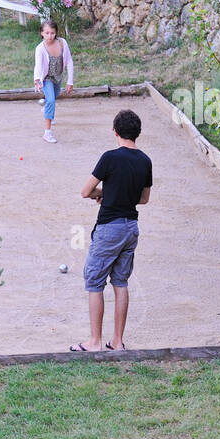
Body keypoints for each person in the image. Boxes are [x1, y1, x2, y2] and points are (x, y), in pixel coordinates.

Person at [70, 109, 152, 353]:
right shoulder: (145, 161)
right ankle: (117, 341)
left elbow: (86, 191)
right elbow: (144, 198)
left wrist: (103, 194)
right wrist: (111, 193)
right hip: (131, 227)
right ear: (137, 133)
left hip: (110, 227)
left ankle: (94, 342)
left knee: (94, 281)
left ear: (115, 131)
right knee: (120, 282)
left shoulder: (110, 158)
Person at [32, 19, 74, 144]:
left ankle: (46, 109)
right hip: (46, 78)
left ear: (56, 33)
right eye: (47, 33)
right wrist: (37, 79)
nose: (49, 36)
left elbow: (69, 62)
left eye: (52, 33)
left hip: (58, 77)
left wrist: (70, 81)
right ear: (41, 33)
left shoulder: (62, 43)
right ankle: (47, 132)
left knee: (54, 96)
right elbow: (38, 65)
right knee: (50, 100)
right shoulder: (40, 49)